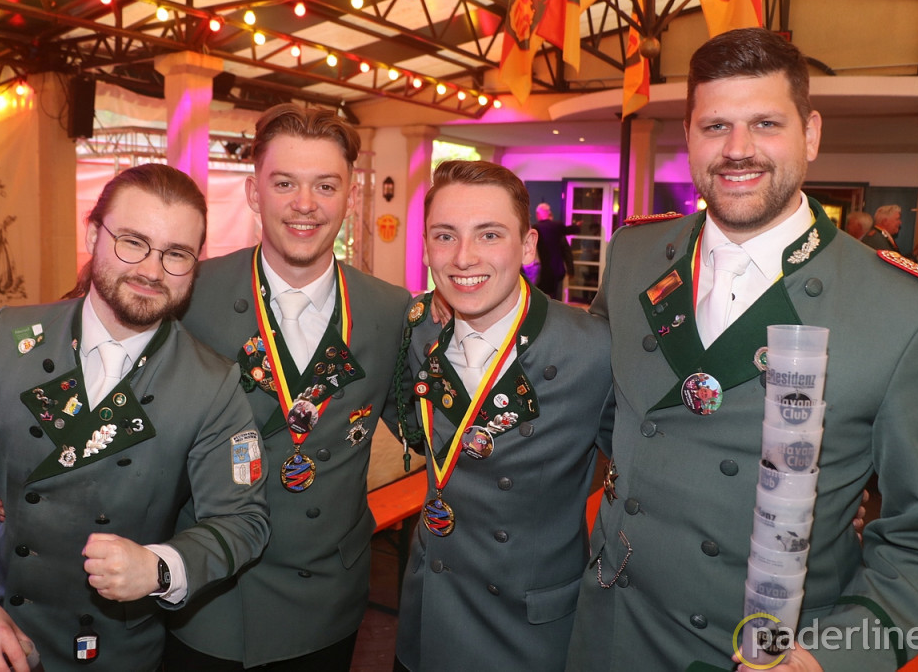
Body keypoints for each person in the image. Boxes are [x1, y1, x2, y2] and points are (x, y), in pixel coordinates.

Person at [566, 27, 918, 672]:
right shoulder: (633, 254)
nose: (737, 149)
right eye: (715, 126)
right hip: (609, 632)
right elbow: (594, 407)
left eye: (765, 123)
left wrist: (833, 656)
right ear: (688, 137)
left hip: (764, 652)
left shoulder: (903, 310)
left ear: (810, 134)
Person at [0, 163, 270, 671]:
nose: (152, 270)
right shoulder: (10, 337)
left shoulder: (211, 384)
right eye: (133, 242)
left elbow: (243, 520)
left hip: (107, 648)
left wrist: (160, 567)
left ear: (197, 263)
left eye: (176, 254)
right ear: (92, 235)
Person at [163, 103, 412, 671]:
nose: (305, 204)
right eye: (284, 183)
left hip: (325, 600)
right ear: (254, 193)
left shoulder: (390, 310)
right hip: (212, 596)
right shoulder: (191, 295)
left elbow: (431, 428)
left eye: (325, 185)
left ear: (350, 195)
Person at [392, 160, 611, 671]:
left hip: (529, 629)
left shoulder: (593, 350)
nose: (463, 257)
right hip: (429, 613)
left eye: (489, 234)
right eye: (445, 236)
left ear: (528, 246)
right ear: (426, 248)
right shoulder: (416, 333)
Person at [531, 202, 581, 299]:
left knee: (540, 296)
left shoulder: (535, 229)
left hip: (541, 269)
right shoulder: (557, 226)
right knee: (554, 298)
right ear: (549, 213)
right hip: (556, 269)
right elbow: (569, 231)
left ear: (538, 214)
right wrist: (577, 226)